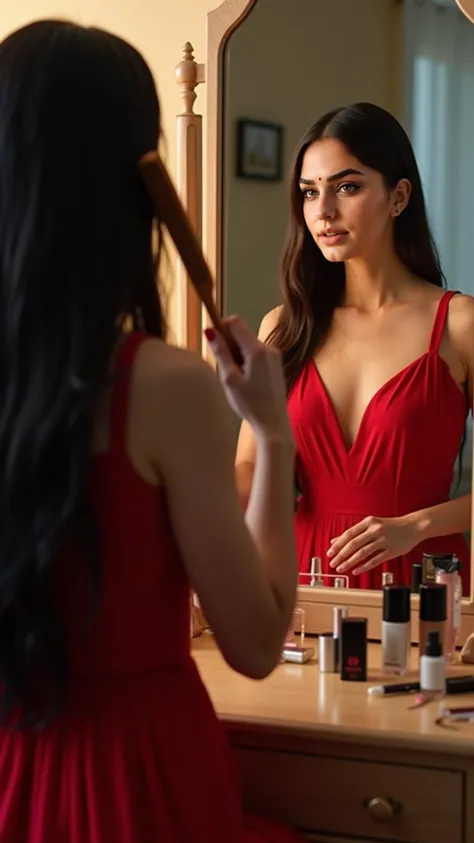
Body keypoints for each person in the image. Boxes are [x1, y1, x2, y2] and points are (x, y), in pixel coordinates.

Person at [0, 19, 303, 843]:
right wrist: (272, 438)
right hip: (132, 777)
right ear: (137, 185)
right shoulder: (164, 387)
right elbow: (255, 640)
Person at [235, 102, 474, 593]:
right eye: (309, 192)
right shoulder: (283, 328)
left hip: (423, 586)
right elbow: (250, 468)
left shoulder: (460, 324)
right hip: (302, 584)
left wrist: (416, 526)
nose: (323, 212)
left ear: (398, 196)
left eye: (347, 187)